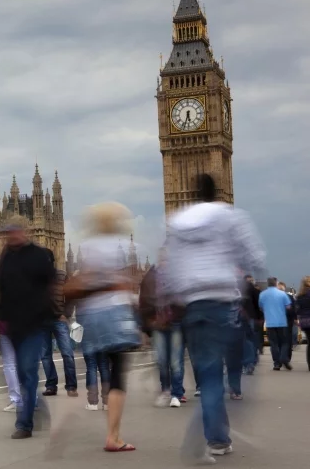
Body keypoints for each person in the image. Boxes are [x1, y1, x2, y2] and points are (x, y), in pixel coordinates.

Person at [161, 173, 266, 463]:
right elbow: (255, 257)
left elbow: (169, 270)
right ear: (218, 191)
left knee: (206, 373)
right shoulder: (229, 216)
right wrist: (245, 283)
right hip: (222, 301)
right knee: (221, 372)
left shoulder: (178, 221)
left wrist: (170, 301)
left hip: (192, 304)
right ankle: (212, 437)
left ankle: (215, 436)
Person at [66, 202, 141, 453]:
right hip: (115, 315)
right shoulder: (120, 247)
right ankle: (113, 435)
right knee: (116, 371)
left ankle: (87, 404)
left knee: (92, 363)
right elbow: (125, 284)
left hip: (91, 316)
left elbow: (82, 281)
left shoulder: (87, 247)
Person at [0, 215, 57, 439]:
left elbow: (50, 286)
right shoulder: (5, 258)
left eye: (15, 231)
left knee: (28, 372)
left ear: (24, 231)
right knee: (21, 375)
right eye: (8, 232)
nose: (11, 235)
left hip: (33, 324)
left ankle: (24, 424)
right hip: (11, 326)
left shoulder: (38, 256)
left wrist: (48, 314)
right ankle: (36, 407)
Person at [139, 255, 186, 407]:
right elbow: (143, 302)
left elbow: (186, 301)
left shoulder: (179, 277)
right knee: (161, 360)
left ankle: (176, 394)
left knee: (175, 361)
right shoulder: (149, 279)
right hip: (157, 324)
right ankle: (166, 390)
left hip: (176, 323)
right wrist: (147, 326)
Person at [41, 269, 79, 397]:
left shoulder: (62, 275)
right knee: (45, 357)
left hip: (59, 320)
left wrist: (66, 314)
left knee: (67, 353)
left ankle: (71, 386)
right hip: (41, 321)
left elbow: (71, 295)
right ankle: (51, 386)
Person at [259, 277, 293, 371]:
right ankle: (283, 358)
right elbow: (288, 306)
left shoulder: (263, 294)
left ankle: (276, 363)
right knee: (284, 342)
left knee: (274, 343)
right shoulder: (282, 294)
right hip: (282, 322)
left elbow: (261, 307)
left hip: (270, 322)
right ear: (276, 283)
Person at [295, 277, 310, 371]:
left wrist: (297, 320)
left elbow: (297, 310)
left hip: (304, 322)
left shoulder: (299, 296)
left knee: (309, 343)